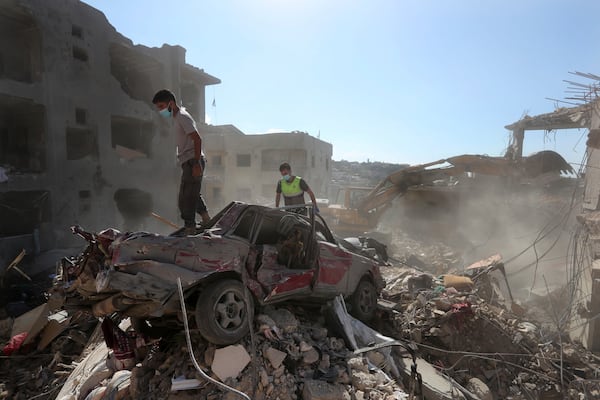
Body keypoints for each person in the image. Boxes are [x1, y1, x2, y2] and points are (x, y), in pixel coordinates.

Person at [152, 89, 210, 235]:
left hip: (193, 160)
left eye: (161, 106)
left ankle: (190, 228)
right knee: (192, 194)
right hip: (188, 161)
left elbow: (197, 139)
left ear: (171, 103)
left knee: (186, 199)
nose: (160, 111)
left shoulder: (182, 117)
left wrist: (196, 163)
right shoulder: (177, 118)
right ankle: (206, 219)